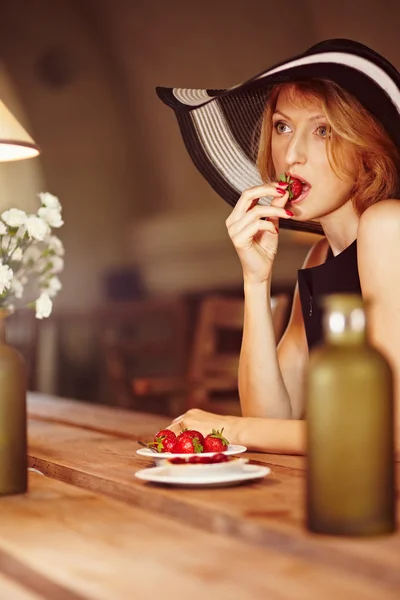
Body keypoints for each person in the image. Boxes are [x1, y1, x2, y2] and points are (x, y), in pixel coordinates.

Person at [156, 39, 400, 455]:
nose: (291, 155)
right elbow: (269, 416)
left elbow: (388, 433)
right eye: (282, 127)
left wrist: (231, 428)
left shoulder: (388, 225)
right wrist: (255, 279)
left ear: (366, 148)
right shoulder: (321, 256)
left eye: (322, 130)